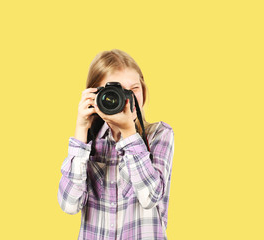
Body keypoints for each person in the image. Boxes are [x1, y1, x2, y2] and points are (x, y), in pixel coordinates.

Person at [57, 49, 175, 240]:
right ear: (95, 95)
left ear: (143, 91)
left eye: (134, 89)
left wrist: (129, 133)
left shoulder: (159, 134)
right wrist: (81, 130)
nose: (127, 99)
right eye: (116, 91)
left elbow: (150, 197)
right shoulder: (90, 141)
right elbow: (69, 204)